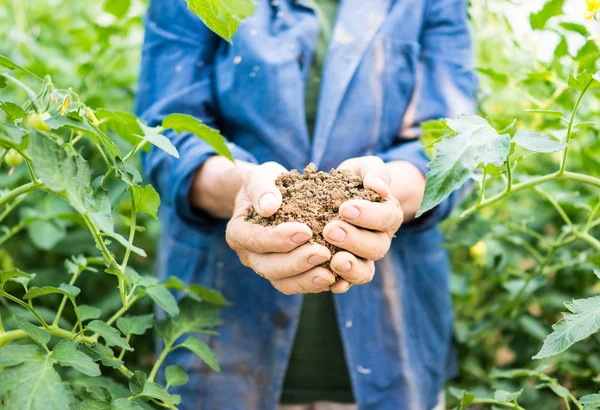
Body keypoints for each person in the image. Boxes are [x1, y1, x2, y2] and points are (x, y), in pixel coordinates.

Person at [135, 0, 477, 409]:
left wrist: (384, 193)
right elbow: (165, 137)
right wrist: (244, 188)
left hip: (394, 338)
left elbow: (451, 146)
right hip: (225, 340)